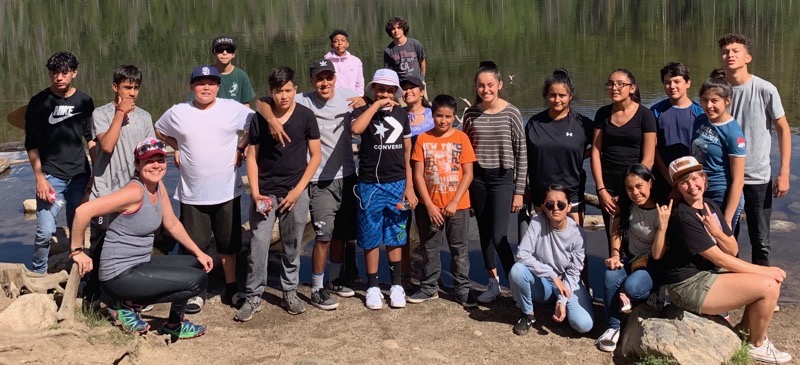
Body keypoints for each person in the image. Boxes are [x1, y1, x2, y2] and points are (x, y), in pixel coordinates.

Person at [70, 138, 213, 340]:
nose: (156, 165)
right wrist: (78, 251)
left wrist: (199, 252)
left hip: (139, 264)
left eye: (160, 160)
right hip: (118, 276)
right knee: (197, 281)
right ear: (137, 165)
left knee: (196, 265)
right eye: (148, 161)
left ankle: (174, 323)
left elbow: (171, 223)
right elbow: (83, 211)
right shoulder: (134, 191)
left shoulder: (157, 186)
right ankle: (126, 304)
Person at [662, 156, 792, 364]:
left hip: (708, 274)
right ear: (677, 186)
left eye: (695, 178)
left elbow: (732, 249)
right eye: (684, 181)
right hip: (687, 285)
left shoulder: (710, 206)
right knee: (768, 285)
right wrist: (765, 271)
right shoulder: (683, 216)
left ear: (704, 179)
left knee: (765, 281)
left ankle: (743, 330)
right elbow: (720, 258)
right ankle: (757, 345)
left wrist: (717, 232)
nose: (692, 186)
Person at [155, 65, 254, 313]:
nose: (206, 87)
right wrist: (176, 146)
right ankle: (196, 291)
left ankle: (231, 289)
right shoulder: (179, 112)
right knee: (193, 245)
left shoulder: (231, 108)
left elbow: (257, 125)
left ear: (218, 86)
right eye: (200, 83)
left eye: (211, 83)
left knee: (228, 245)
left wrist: (241, 148)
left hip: (226, 191)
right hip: (193, 192)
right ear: (192, 87)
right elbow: (159, 128)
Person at [235, 66, 321, 321]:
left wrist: (297, 191)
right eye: (278, 91)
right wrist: (256, 193)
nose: (283, 96)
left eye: (287, 90)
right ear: (270, 92)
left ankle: (289, 291)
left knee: (293, 244)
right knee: (259, 244)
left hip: (295, 190)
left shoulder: (306, 116)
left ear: (295, 89)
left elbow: (315, 157)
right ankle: (253, 296)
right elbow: (252, 157)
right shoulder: (260, 118)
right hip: (267, 192)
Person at [82, 65, 156, 303]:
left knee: (133, 244)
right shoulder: (101, 114)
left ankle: (130, 296)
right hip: (106, 192)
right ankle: (94, 296)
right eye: (127, 87)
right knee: (100, 245)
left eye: (136, 88)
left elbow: (148, 156)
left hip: (133, 193)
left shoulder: (144, 117)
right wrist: (120, 114)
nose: (132, 93)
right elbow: (107, 146)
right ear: (115, 87)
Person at [719, 33, 791, 267]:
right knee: (726, 236)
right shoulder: (718, 92)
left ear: (747, 57)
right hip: (726, 176)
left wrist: (784, 172)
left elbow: (783, 129)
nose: (730, 55)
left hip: (757, 175)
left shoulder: (764, 89)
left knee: (760, 239)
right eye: (726, 52)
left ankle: (764, 292)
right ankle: (730, 289)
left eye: (735, 51)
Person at [351, 69, 416, 310]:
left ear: (396, 93)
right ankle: (373, 286)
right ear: (373, 90)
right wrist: (374, 105)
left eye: (390, 90)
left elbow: (408, 152)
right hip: (369, 184)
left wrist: (409, 187)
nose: (385, 94)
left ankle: (396, 284)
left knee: (396, 234)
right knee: (370, 236)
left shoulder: (401, 113)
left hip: (397, 182)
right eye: (380, 89)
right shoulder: (362, 111)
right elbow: (356, 130)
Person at [462, 61, 527, 304]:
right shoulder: (470, 114)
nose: (485, 90)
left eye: (490, 85)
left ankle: (517, 284)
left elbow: (521, 152)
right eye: (481, 85)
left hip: (502, 179)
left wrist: (519, 190)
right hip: (478, 179)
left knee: (500, 235)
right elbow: (464, 151)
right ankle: (493, 283)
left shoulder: (512, 112)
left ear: (500, 84)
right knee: (485, 234)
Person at [24, 51, 94, 274]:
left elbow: (90, 138)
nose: (59, 77)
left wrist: (95, 173)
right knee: (45, 230)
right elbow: (31, 144)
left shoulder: (84, 101)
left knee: (78, 228)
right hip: (51, 176)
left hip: (79, 175)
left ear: (74, 73)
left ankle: (77, 275)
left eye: (64, 72)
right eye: (55, 72)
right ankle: (38, 274)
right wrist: (40, 178)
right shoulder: (38, 102)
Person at [407, 94, 476, 307]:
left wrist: (454, 201)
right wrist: (428, 205)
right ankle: (429, 286)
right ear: (432, 115)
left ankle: (462, 288)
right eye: (439, 116)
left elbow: (468, 174)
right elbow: (418, 175)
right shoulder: (423, 139)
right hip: (430, 206)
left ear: (454, 117)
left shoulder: (462, 138)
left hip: (458, 205)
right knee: (429, 247)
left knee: (459, 248)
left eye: (448, 116)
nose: (443, 121)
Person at [596, 164, 669, 352]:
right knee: (610, 275)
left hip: (654, 262)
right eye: (629, 188)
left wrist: (662, 227)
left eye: (639, 186)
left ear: (650, 183)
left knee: (633, 287)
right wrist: (614, 254)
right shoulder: (626, 205)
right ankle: (613, 327)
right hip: (632, 259)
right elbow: (617, 230)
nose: (635, 192)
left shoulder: (662, 209)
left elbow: (659, 254)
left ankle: (642, 296)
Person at [509, 184, 594, 336]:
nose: (555, 208)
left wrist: (562, 300)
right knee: (517, 270)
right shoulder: (537, 221)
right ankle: (528, 314)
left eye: (561, 204)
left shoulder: (577, 233)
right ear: (543, 207)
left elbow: (575, 271)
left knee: (584, 325)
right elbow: (523, 254)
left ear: (568, 207)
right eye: (550, 204)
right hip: (544, 282)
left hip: (567, 282)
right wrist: (552, 275)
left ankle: (563, 304)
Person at [591, 68, 657, 253]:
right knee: (613, 235)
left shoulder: (645, 115)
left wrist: (631, 188)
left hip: (636, 186)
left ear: (632, 88)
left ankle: (638, 274)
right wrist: (601, 190)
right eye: (611, 84)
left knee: (638, 234)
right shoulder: (602, 114)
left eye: (620, 84)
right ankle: (616, 273)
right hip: (609, 186)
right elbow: (596, 152)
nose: (614, 88)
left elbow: (649, 157)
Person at [522, 68, 593, 226]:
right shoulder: (534, 123)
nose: (557, 100)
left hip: (572, 193)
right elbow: (524, 156)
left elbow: (600, 147)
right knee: (543, 244)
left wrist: (582, 154)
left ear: (570, 96)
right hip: (541, 193)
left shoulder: (582, 124)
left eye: (562, 95)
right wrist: (522, 188)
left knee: (573, 244)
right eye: (552, 95)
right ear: (546, 96)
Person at [691, 69, 745, 230]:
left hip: (721, 196)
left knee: (722, 247)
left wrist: (727, 219)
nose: (709, 106)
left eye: (715, 101)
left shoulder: (733, 133)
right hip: (698, 192)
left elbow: (738, 180)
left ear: (727, 101)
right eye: (704, 100)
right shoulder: (701, 119)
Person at [650, 62, 704, 202]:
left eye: (677, 81)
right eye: (667, 82)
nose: (672, 86)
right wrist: (670, 179)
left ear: (687, 83)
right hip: (663, 177)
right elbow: (652, 148)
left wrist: (687, 180)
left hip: (692, 180)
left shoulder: (700, 114)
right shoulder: (656, 111)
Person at [400, 75, 433, 288]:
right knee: (402, 229)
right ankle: (404, 277)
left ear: (422, 91)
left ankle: (430, 275)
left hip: (430, 180)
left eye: (413, 87)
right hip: (403, 179)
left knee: (427, 230)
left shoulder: (434, 114)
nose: (409, 91)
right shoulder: (397, 114)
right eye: (405, 88)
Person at [188, 35, 256, 106]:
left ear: (233, 54)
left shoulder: (241, 76)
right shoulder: (204, 73)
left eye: (229, 50)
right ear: (214, 53)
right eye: (220, 50)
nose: (225, 53)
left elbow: (245, 104)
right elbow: (193, 100)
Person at [383, 16, 427, 81]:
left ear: (403, 29)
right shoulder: (388, 51)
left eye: (399, 28)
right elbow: (389, 71)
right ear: (390, 31)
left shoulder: (415, 44)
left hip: (418, 83)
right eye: (393, 29)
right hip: (401, 86)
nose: (396, 31)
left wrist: (422, 79)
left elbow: (422, 61)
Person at [324, 29, 364, 95]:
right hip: (334, 98)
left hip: (353, 98)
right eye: (336, 41)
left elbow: (359, 83)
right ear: (331, 45)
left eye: (343, 40)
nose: (340, 43)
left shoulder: (356, 61)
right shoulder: (327, 62)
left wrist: (359, 96)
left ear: (347, 44)